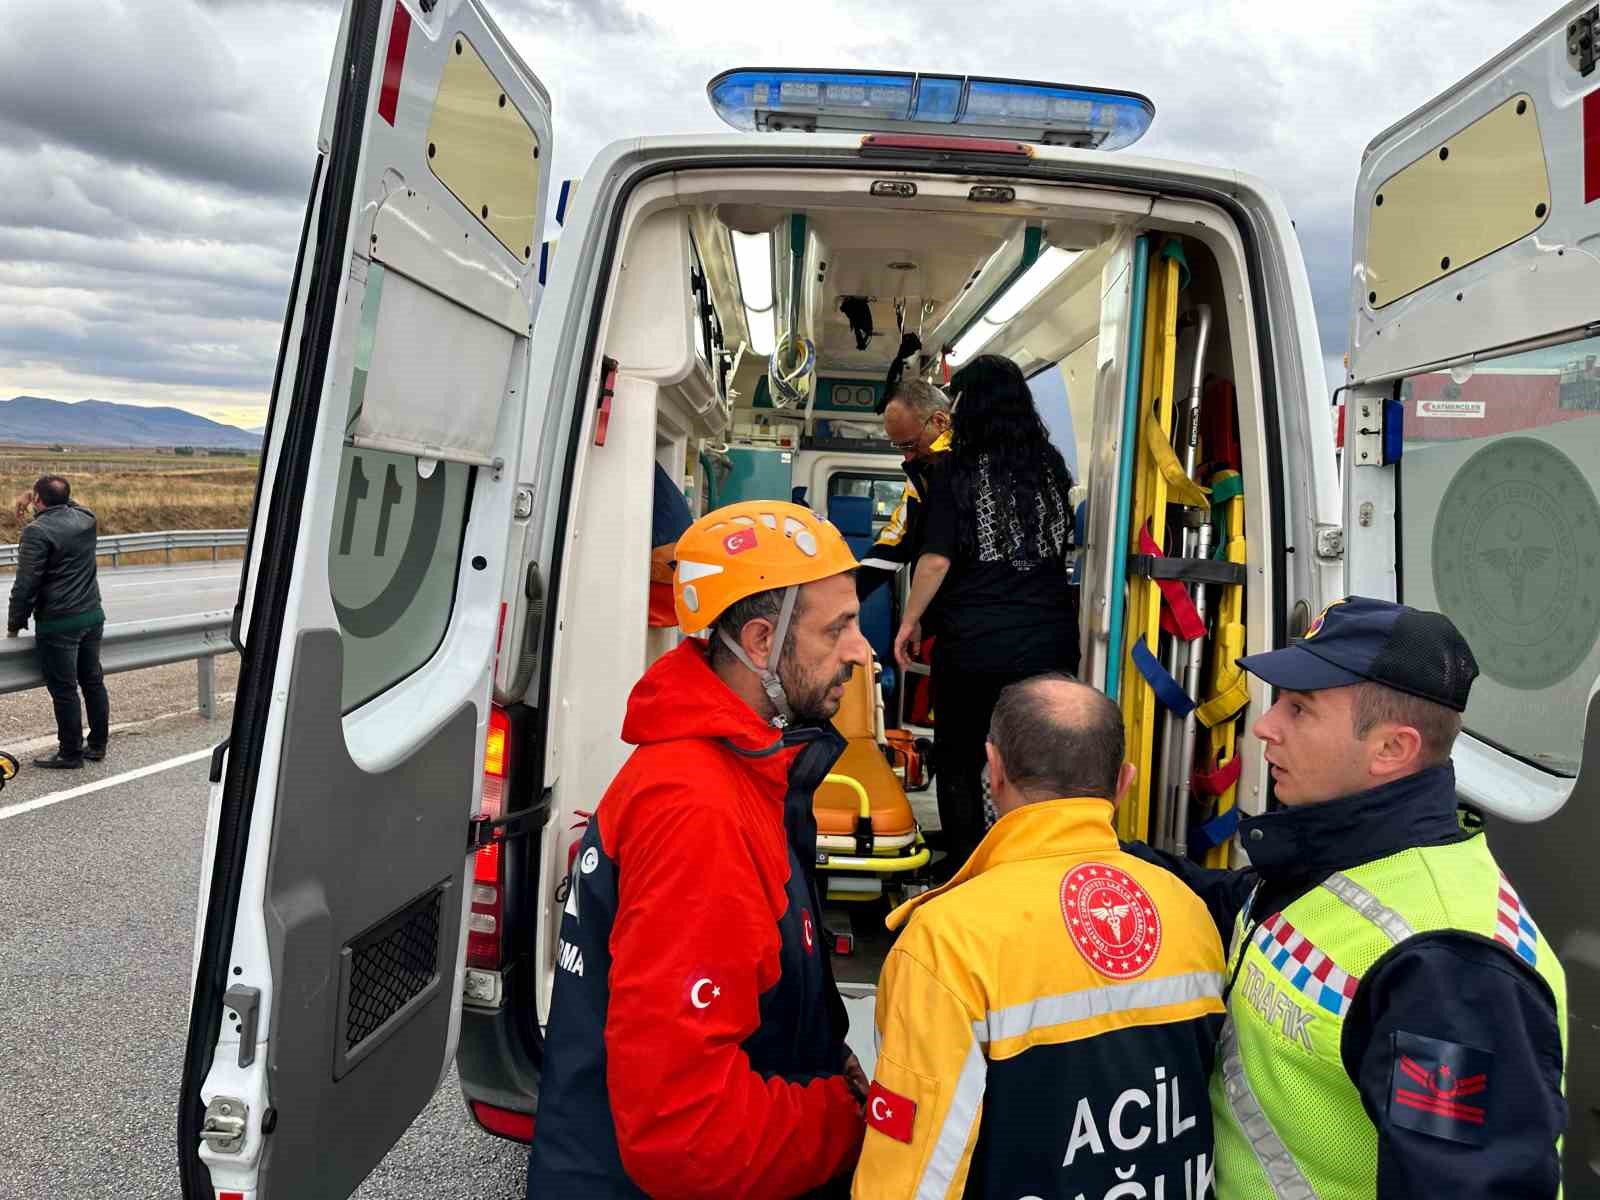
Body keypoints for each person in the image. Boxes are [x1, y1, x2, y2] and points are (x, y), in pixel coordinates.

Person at [1130, 596, 1567, 1198]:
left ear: (1392, 749)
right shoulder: (1340, 861)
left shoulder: (1448, 972)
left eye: (1299, 710)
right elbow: (1230, 904)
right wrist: (1076, 835)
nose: (1265, 725)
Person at [528, 500, 872, 1198]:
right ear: (759, 641)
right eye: (838, 630)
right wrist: (855, 1119)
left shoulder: (740, 766)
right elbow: (686, 1135)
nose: (860, 652)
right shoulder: (697, 811)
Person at [853, 674, 1225, 1198]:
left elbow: (914, 1174)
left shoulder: (947, 939)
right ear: (1124, 782)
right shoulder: (1188, 910)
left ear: (995, 769)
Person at [892, 355, 1079, 877]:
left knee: (959, 760)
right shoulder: (1051, 466)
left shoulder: (958, 468)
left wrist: (910, 623)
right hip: (1047, 640)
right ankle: (1036, 864)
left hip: (976, 641)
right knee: (1035, 759)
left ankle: (967, 869)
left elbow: (935, 560)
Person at [6, 475, 109, 769]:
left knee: (64, 689)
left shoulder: (36, 531)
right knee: (92, 681)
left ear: (37, 500)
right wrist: (43, 497)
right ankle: (97, 745)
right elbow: (68, 503)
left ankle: (70, 753)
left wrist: (15, 622)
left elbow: (26, 584)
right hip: (92, 614)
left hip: (59, 622)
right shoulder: (86, 518)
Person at [854, 378, 952, 602]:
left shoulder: (968, 467)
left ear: (939, 421)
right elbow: (899, 536)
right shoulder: (923, 472)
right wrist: (850, 591)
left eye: (909, 444)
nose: (906, 456)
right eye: (899, 447)